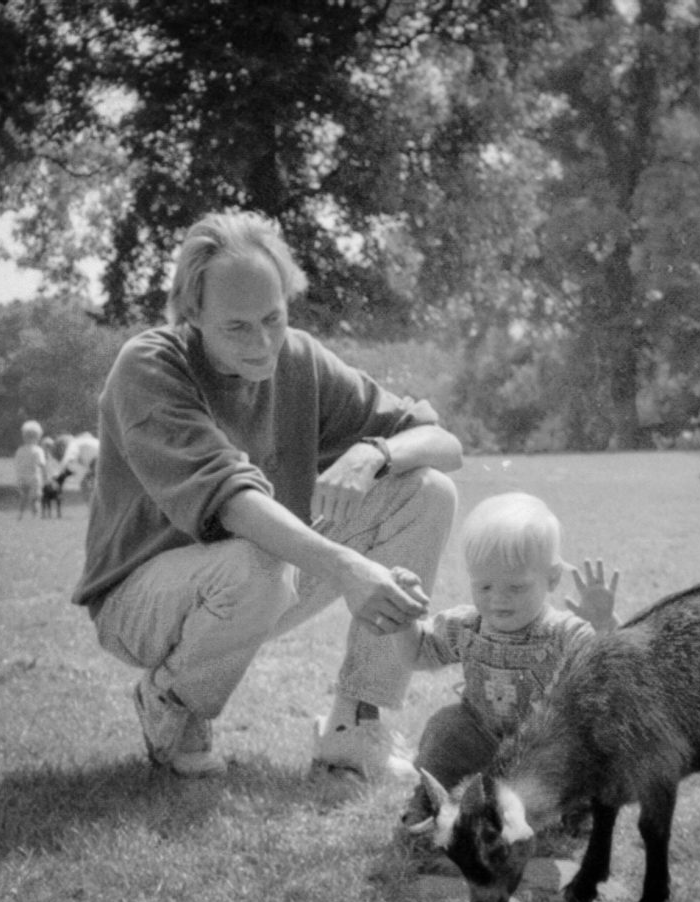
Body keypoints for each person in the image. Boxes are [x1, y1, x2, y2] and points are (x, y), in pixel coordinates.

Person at [71, 210, 462, 779]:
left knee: (426, 490)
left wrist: (378, 452)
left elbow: (443, 441)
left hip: (259, 580)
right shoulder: (150, 366)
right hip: (140, 602)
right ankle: (172, 703)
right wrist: (350, 568)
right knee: (254, 553)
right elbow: (230, 502)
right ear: (194, 313)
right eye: (237, 327)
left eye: (273, 318)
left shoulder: (298, 358)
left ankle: (356, 724)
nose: (262, 344)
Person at [396, 491, 619, 826]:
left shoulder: (563, 632)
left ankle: (575, 810)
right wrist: (402, 619)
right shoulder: (467, 626)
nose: (498, 600)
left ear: (552, 578)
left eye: (516, 588)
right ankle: (430, 799)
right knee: (445, 728)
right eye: (484, 587)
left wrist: (602, 626)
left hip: (542, 746)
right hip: (481, 735)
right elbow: (418, 653)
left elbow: (606, 673)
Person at [13, 420, 48, 519]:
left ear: (24, 437)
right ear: (38, 437)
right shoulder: (38, 450)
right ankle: (35, 515)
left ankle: (20, 514)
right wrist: (45, 476)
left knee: (23, 497)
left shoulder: (20, 450)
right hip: (34, 477)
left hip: (21, 477)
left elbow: (17, 463)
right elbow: (42, 464)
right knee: (35, 498)